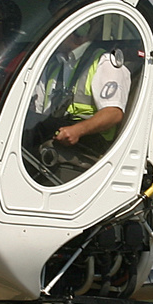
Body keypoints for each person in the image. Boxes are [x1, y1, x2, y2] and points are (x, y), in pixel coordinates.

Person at [27, 20, 133, 185]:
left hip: (88, 148)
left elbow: (113, 113)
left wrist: (78, 130)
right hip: (52, 137)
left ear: (79, 29)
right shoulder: (53, 65)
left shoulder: (105, 63)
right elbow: (35, 110)